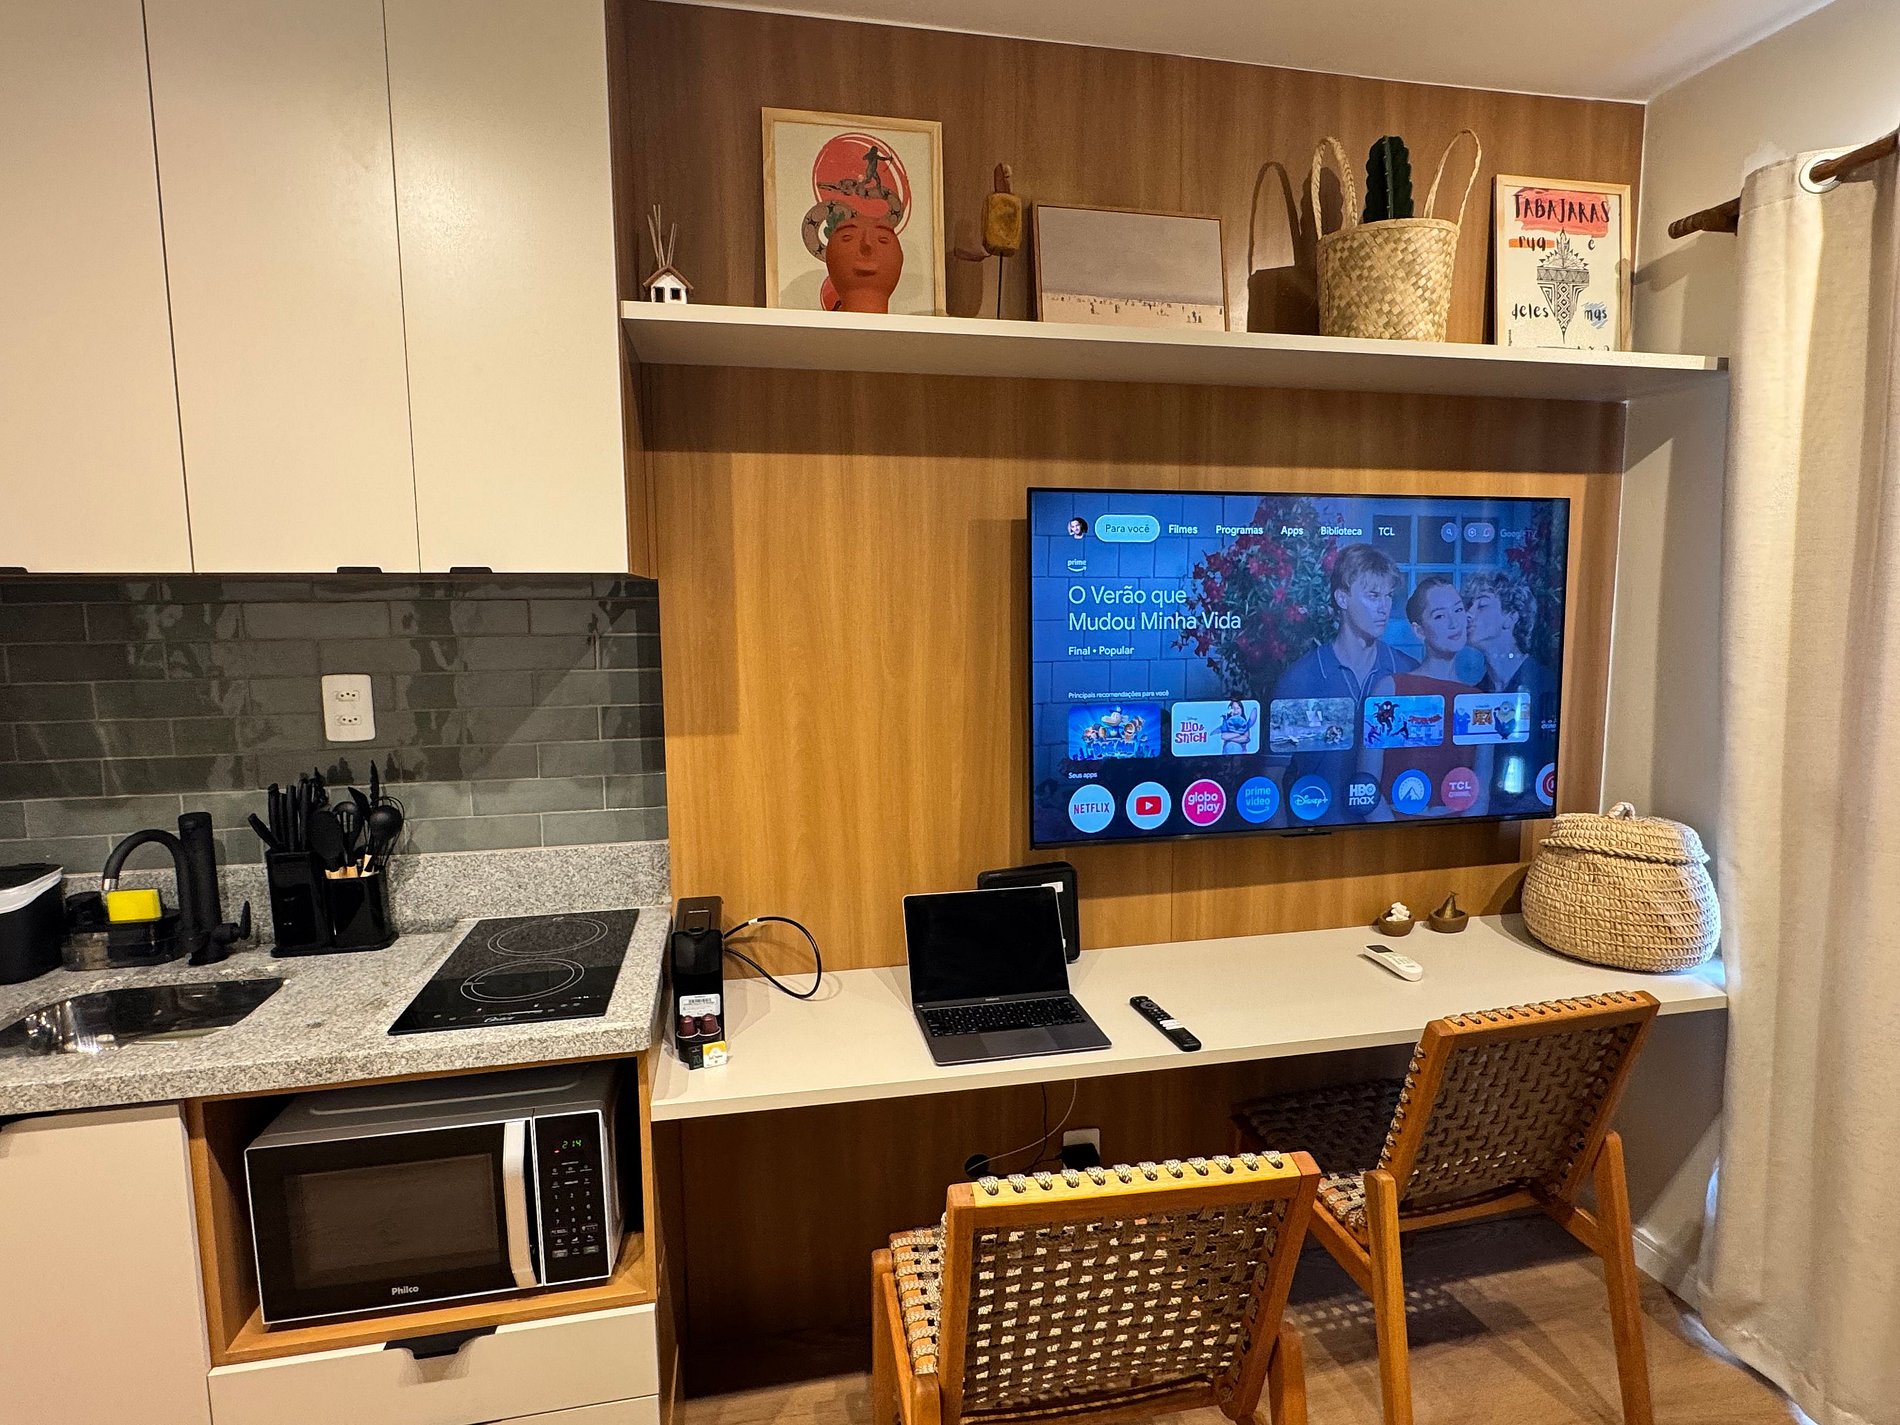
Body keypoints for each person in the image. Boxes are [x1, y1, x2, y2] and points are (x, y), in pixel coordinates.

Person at [1271, 544, 1417, 809]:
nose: (1384, 607)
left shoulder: (1408, 672)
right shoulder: (1301, 680)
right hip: (1318, 828)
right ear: (1342, 598)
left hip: (1392, 827)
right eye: (1373, 595)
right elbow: (1272, 782)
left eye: (1388, 596)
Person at [1359, 575, 1492, 819]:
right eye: (1439, 616)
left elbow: (1481, 795)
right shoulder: (1390, 690)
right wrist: (1391, 833)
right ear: (1419, 630)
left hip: (1460, 831)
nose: (1454, 623)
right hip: (1390, 829)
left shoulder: (1479, 701)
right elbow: (1367, 785)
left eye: (1458, 610)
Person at [1463, 569, 1557, 813]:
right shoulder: (1473, 695)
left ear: (1511, 616)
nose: (1468, 614)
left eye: (1482, 605)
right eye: (1468, 606)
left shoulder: (1548, 688)